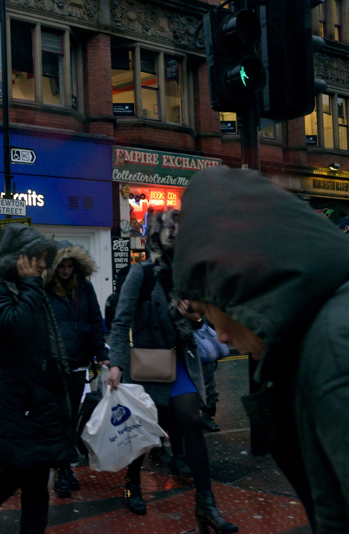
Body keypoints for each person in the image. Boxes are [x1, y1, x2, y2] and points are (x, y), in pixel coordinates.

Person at [173, 166, 349, 532]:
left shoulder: (334, 353)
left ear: (240, 285)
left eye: (209, 311)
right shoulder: (318, 333)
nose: (220, 337)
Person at [105, 210, 237, 534]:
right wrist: (117, 364)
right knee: (143, 430)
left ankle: (206, 504)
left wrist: (193, 318)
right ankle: (132, 483)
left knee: (192, 422)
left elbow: (201, 322)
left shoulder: (188, 277)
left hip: (180, 361)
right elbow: (121, 322)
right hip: (149, 362)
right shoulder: (142, 273)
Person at [0, 224, 72, 534]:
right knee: (18, 463)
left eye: (44, 258)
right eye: (36, 258)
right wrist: (30, 285)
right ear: (17, 258)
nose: (42, 265)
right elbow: (16, 328)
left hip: (33, 390)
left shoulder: (29, 286)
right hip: (4, 392)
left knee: (38, 468)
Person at [43, 240, 107, 497]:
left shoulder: (84, 287)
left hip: (79, 361)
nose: (66, 271)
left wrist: (100, 352)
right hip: (54, 362)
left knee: (71, 417)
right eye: (62, 266)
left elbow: (93, 320)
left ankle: (66, 467)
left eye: (70, 266)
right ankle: (60, 469)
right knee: (60, 417)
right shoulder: (44, 289)